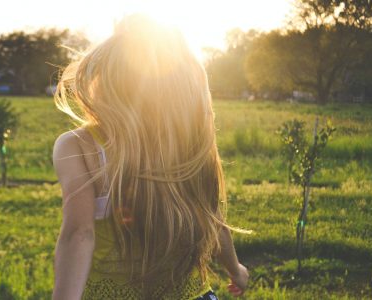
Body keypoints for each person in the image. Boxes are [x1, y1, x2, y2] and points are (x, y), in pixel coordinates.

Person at [51, 15, 249, 300]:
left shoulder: (79, 145)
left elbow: (79, 234)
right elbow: (212, 217)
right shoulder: (186, 143)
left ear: (104, 80)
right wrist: (236, 269)